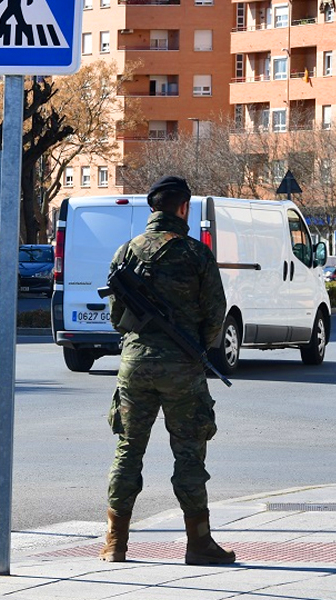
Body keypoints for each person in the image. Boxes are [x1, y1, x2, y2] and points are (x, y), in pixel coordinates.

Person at [101, 176, 236, 566]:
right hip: (182, 367)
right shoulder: (195, 254)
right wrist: (194, 349)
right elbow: (215, 315)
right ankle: (198, 543)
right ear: (182, 208)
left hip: (135, 365)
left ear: (153, 209)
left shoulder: (126, 252)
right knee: (189, 455)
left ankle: (115, 542)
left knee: (128, 451)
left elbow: (116, 317)